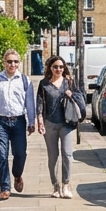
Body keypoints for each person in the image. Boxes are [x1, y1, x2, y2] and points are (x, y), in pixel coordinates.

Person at [0, 49, 37, 201]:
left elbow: (30, 103)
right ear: (4, 62)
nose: (12, 64)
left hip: (18, 121)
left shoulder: (25, 80)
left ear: (19, 63)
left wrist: (32, 122)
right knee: (1, 156)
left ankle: (17, 174)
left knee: (20, 153)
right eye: (9, 61)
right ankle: (5, 188)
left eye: (15, 62)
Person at [35, 56, 87, 198]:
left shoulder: (69, 82)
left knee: (67, 154)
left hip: (67, 123)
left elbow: (80, 97)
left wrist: (72, 95)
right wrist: (40, 122)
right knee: (53, 157)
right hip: (49, 123)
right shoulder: (44, 84)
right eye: (55, 67)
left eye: (61, 67)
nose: (58, 69)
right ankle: (55, 186)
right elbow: (39, 104)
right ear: (50, 68)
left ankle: (66, 185)